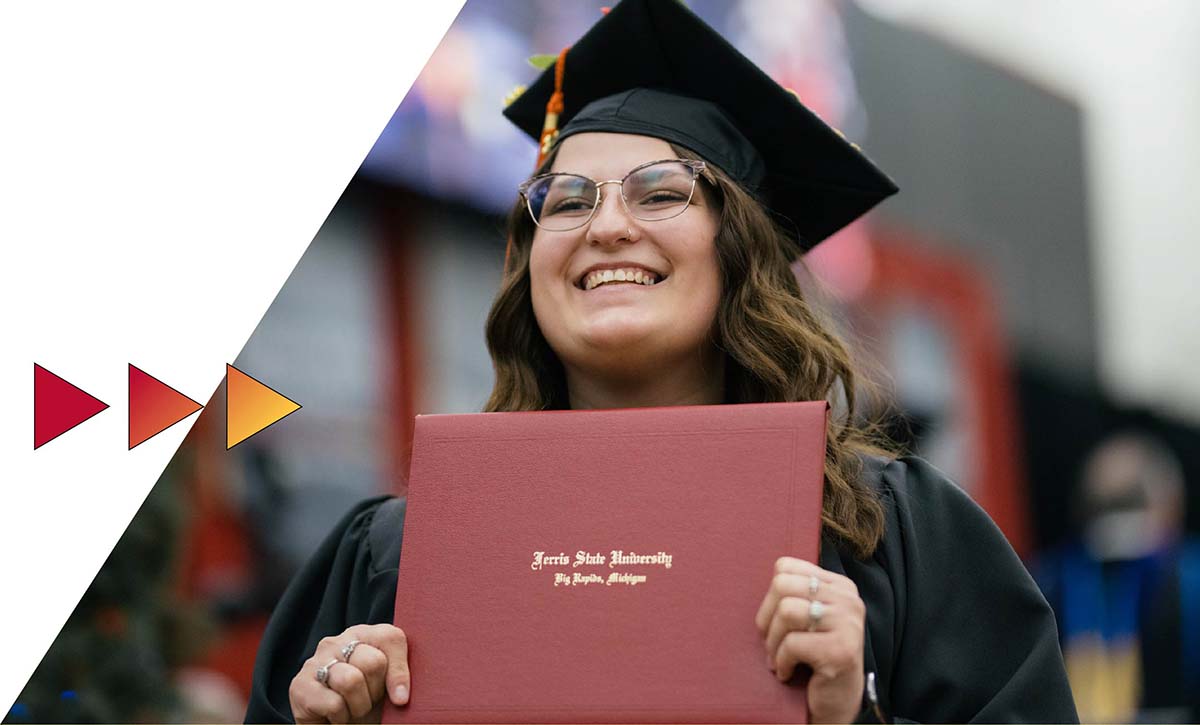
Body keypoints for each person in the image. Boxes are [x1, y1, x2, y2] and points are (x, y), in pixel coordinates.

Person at [246, 1, 1078, 722]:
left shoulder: (891, 532)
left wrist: (848, 715)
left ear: (739, 252)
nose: (605, 226)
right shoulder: (401, 555)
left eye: (659, 190)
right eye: (566, 201)